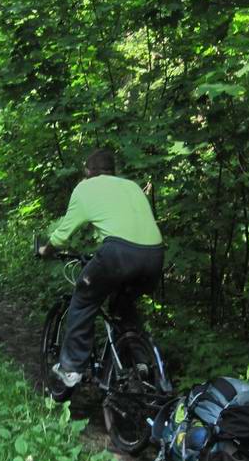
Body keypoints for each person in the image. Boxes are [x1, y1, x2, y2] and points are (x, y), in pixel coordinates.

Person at [38, 148, 164, 400]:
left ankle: (71, 368)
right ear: (113, 171)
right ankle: (140, 362)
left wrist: (46, 250)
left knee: (84, 299)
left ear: (88, 171)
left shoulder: (85, 188)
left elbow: (62, 236)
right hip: (155, 255)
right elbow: (125, 226)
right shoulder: (131, 186)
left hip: (118, 254)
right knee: (122, 305)